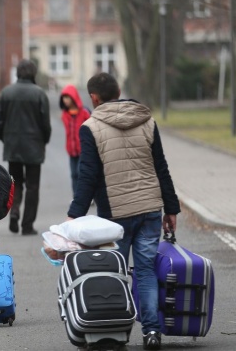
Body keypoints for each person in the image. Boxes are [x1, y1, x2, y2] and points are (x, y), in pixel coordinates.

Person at [66, 73, 180, 350]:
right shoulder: (146, 120)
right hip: (150, 208)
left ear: (94, 98)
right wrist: (171, 208)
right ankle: (152, 332)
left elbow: (88, 176)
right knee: (145, 272)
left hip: (115, 215)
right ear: (118, 91)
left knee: (113, 274)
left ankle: (116, 330)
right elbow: (161, 167)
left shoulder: (90, 127)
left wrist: (74, 215)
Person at [0, 59, 51, 235]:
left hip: (13, 146)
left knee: (15, 183)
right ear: (33, 73)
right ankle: (27, 225)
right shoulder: (40, 94)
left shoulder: (6, 93)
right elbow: (45, 124)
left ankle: (15, 211)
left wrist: (5, 139)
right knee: (33, 186)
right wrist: (43, 140)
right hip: (34, 145)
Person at [59, 85, 91, 196]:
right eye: (63, 98)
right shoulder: (65, 115)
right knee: (73, 174)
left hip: (83, 148)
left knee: (81, 173)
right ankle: (76, 197)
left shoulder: (84, 113)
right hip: (71, 150)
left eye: (67, 97)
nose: (65, 100)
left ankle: (86, 196)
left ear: (74, 97)